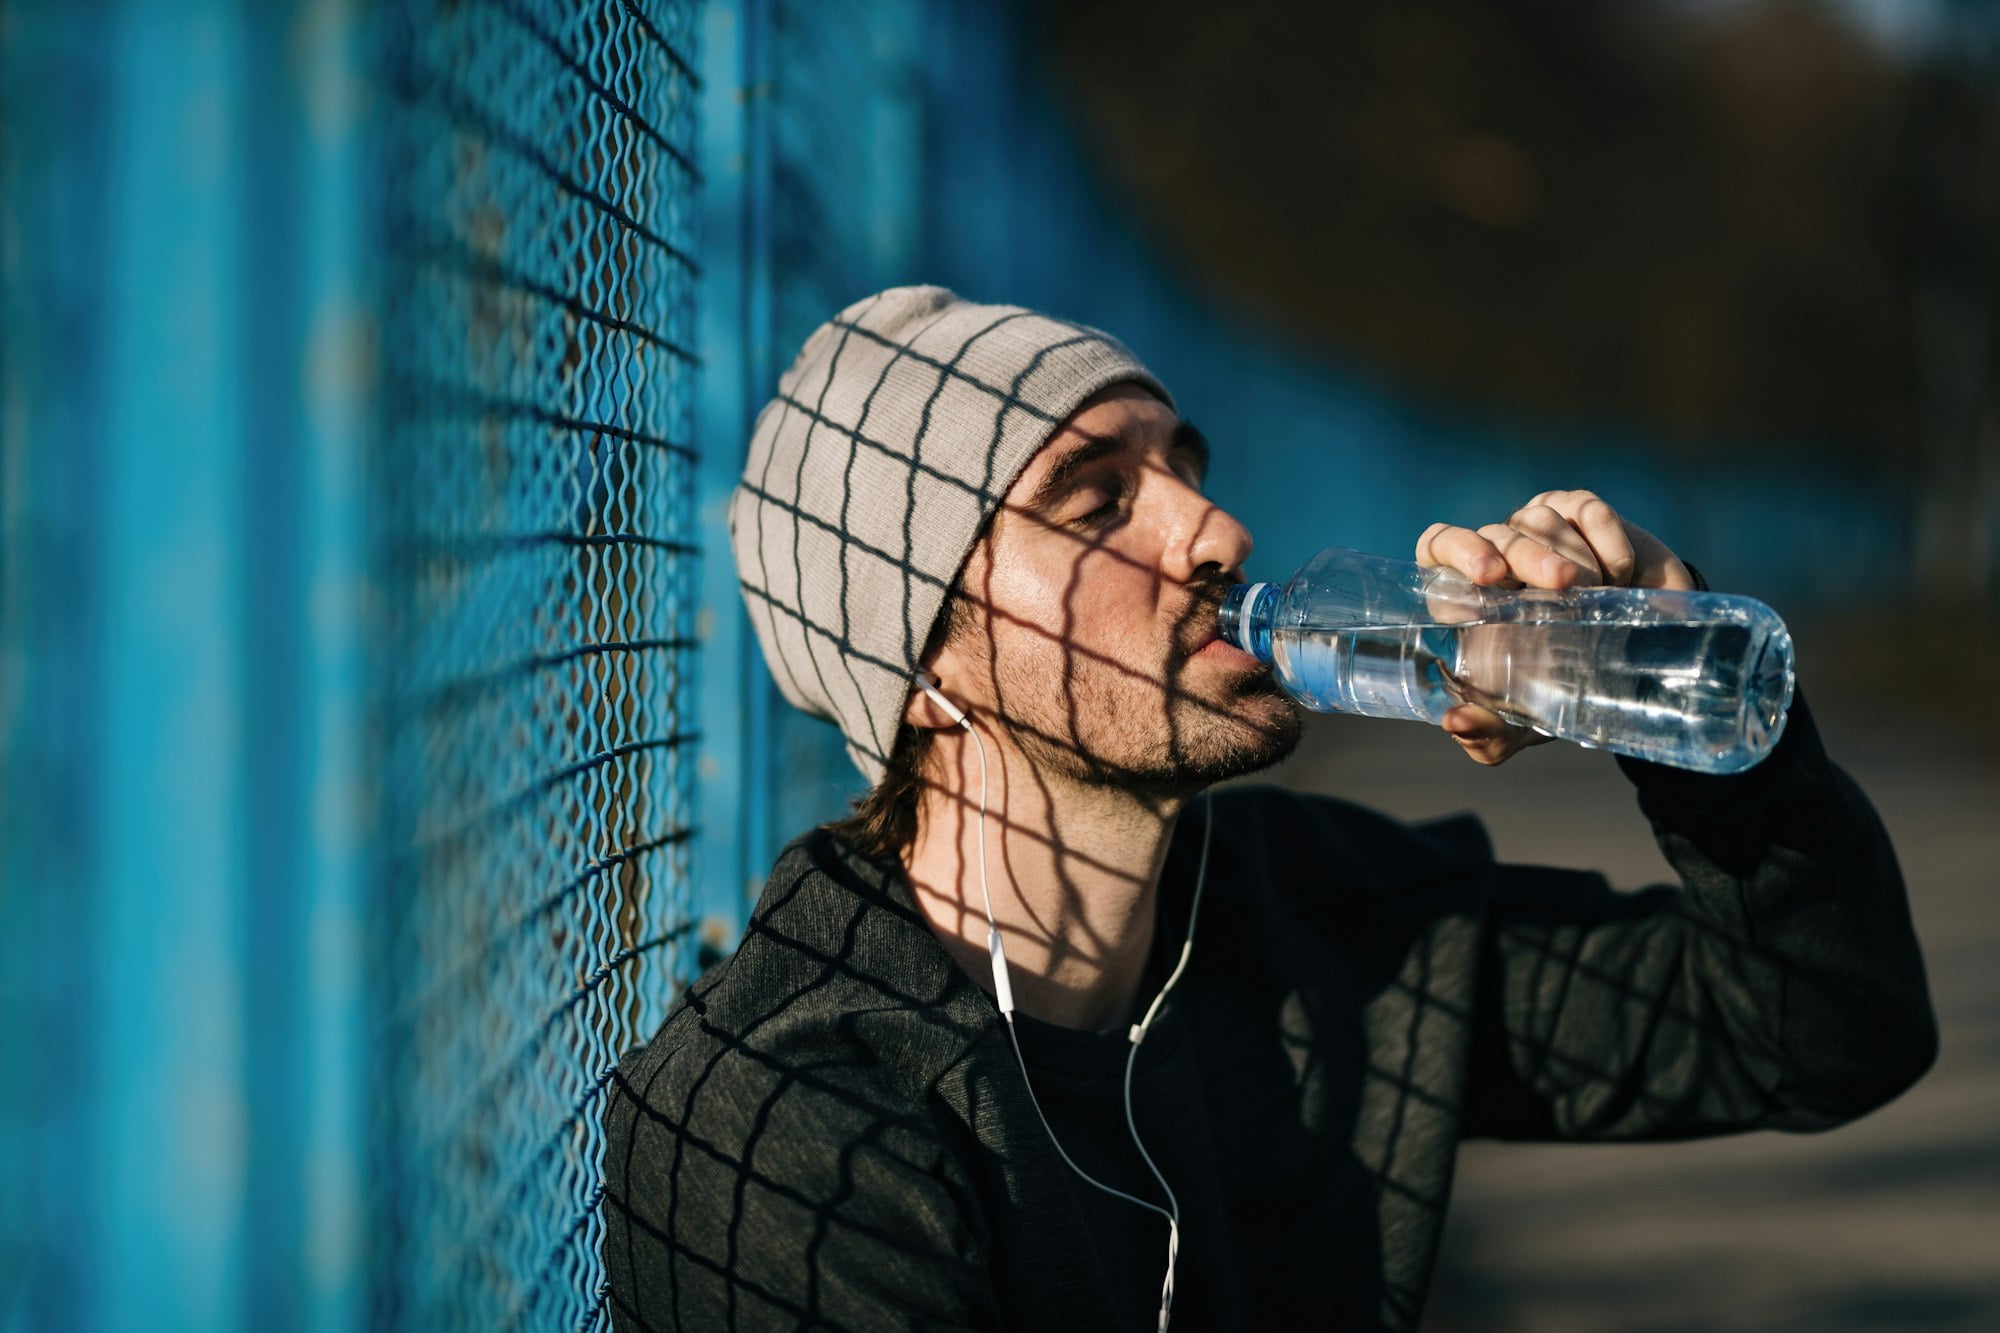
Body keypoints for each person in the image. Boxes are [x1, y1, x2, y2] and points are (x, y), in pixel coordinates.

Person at [601, 286, 1936, 1331]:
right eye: (1098, 502)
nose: (1218, 528)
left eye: (1182, 466)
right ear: (928, 664)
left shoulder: (1312, 917)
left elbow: (1826, 1033)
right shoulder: (778, 1126)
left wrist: (1679, 708)